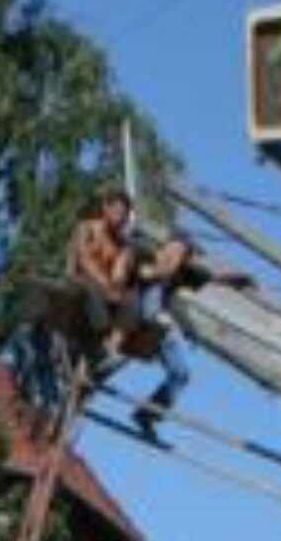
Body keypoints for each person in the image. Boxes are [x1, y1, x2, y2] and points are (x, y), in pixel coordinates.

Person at [67, 187, 194, 439]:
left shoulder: (125, 245)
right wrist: (114, 284)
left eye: (123, 214)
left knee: (179, 370)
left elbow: (120, 271)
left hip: (130, 314)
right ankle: (96, 364)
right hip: (98, 294)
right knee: (128, 310)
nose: (178, 259)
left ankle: (144, 410)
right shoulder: (92, 230)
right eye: (116, 211)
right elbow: (88, 262)